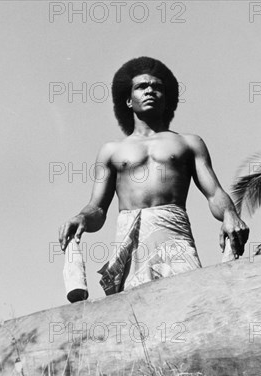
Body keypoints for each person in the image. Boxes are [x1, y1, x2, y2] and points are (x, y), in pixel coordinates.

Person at [59, 57, 249, 295]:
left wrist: (230, 213)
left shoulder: (189, 143)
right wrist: (82, 218)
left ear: (166, 98)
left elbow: (214, 193)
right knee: (134, 312)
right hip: (131, 239)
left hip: (173, 233)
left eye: (157, 87)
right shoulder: (111, 151)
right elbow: (97, 208)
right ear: (128, 100)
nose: (150, 90)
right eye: (141, 86)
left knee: (188, 299)